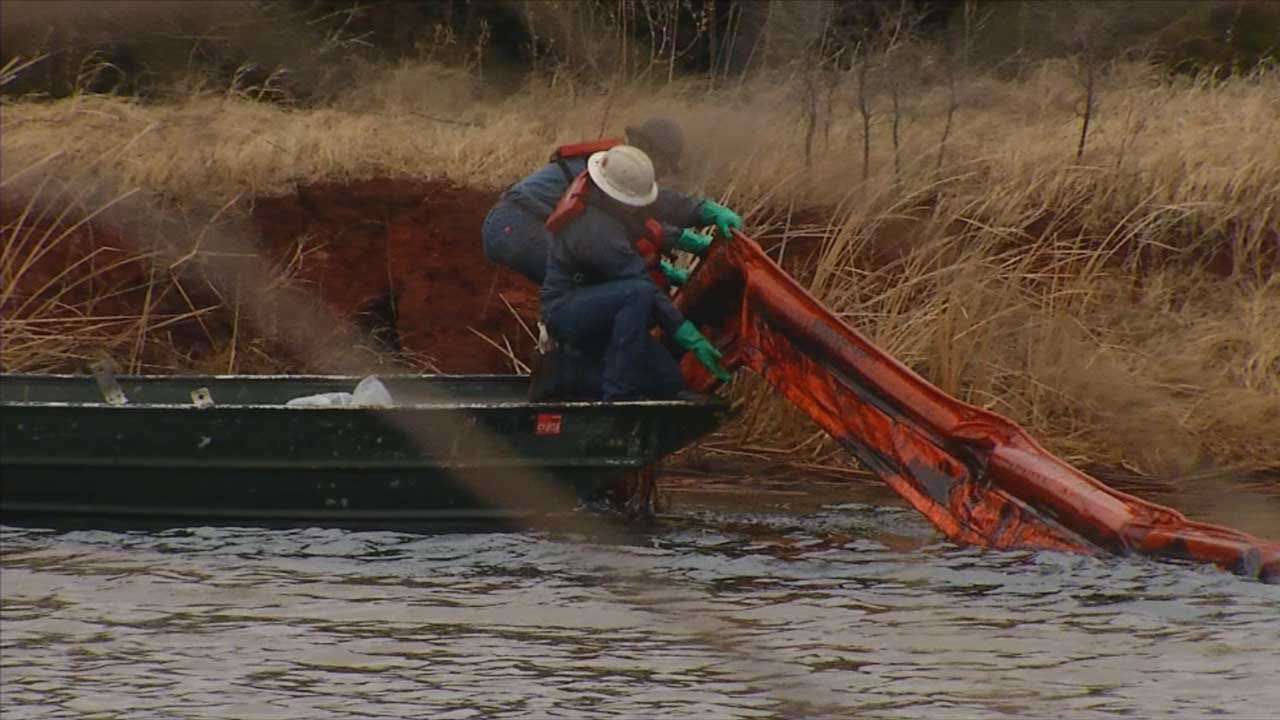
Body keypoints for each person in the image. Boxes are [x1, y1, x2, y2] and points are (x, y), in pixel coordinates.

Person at [539, 144, 732, 401]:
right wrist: (687, 334)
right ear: (615, 195)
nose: (637, 206)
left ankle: (576, 376)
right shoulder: (593, 230)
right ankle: (617, 396)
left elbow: (660, 204)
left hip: (600, 307)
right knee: (637, 293)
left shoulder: (608, 201)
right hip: (566, 310)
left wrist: (702, 211)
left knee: (668, 380)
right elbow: (642, 286)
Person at [481, 116, 744, 286]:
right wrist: (701, 215)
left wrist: (660, 267)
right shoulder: (612, 168)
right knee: (591, 287)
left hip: (519, 224)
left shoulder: (614, 166)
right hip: (516, 225)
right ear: (650, 151)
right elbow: (645, 211)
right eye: (663, 165)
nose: (662, 174)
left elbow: (619, 232)